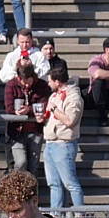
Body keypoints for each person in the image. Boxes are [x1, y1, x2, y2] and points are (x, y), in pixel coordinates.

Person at [41, 61, 86, 207]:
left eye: (50, 81)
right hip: (49, 143)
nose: (48, 85)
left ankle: (79, 215)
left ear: (57, 81)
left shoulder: (73, 97)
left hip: (64, 144)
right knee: (54, 184)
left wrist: (54, 110)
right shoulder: (54, 96)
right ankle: (56, 215)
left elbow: (70, 120)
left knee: (70, 183)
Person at [2, 60, 52, 172]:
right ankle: (17, 186)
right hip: (17, 131)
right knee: (21, 162)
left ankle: (32, 189)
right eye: (23, 81)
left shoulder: (42, 86)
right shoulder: (11, 85)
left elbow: (44, 105)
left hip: (35, 131)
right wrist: (18, 112)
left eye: (28, 81)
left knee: (33, 166)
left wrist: (29, 110)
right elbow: (9, 108)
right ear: (18, 78)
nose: (26, 85)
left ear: (33, 77)